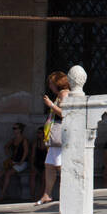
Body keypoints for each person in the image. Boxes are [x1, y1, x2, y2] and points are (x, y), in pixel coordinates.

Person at [38, 72, 69, 205]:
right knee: (49, 165)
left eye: (51, 83)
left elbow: (65, 114)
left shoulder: (64, 94)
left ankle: (68, 192)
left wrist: (50, 104)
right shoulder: (60, 94)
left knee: (60, 166)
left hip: (60, 134)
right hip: (56, 136)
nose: (49, 86)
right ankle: (47, 194)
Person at [0, 123, 32, 201]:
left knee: (7, 174)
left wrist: (21, 161)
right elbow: (6, 146)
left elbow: (26, 152)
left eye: (15, 128)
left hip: (22, 163)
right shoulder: (13, 140)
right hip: (13, 162)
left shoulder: (24, 140)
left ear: (20, 130)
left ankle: (2, 195)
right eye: (13, 128)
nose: (14, 130)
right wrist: (9, 156)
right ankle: (6, 194)